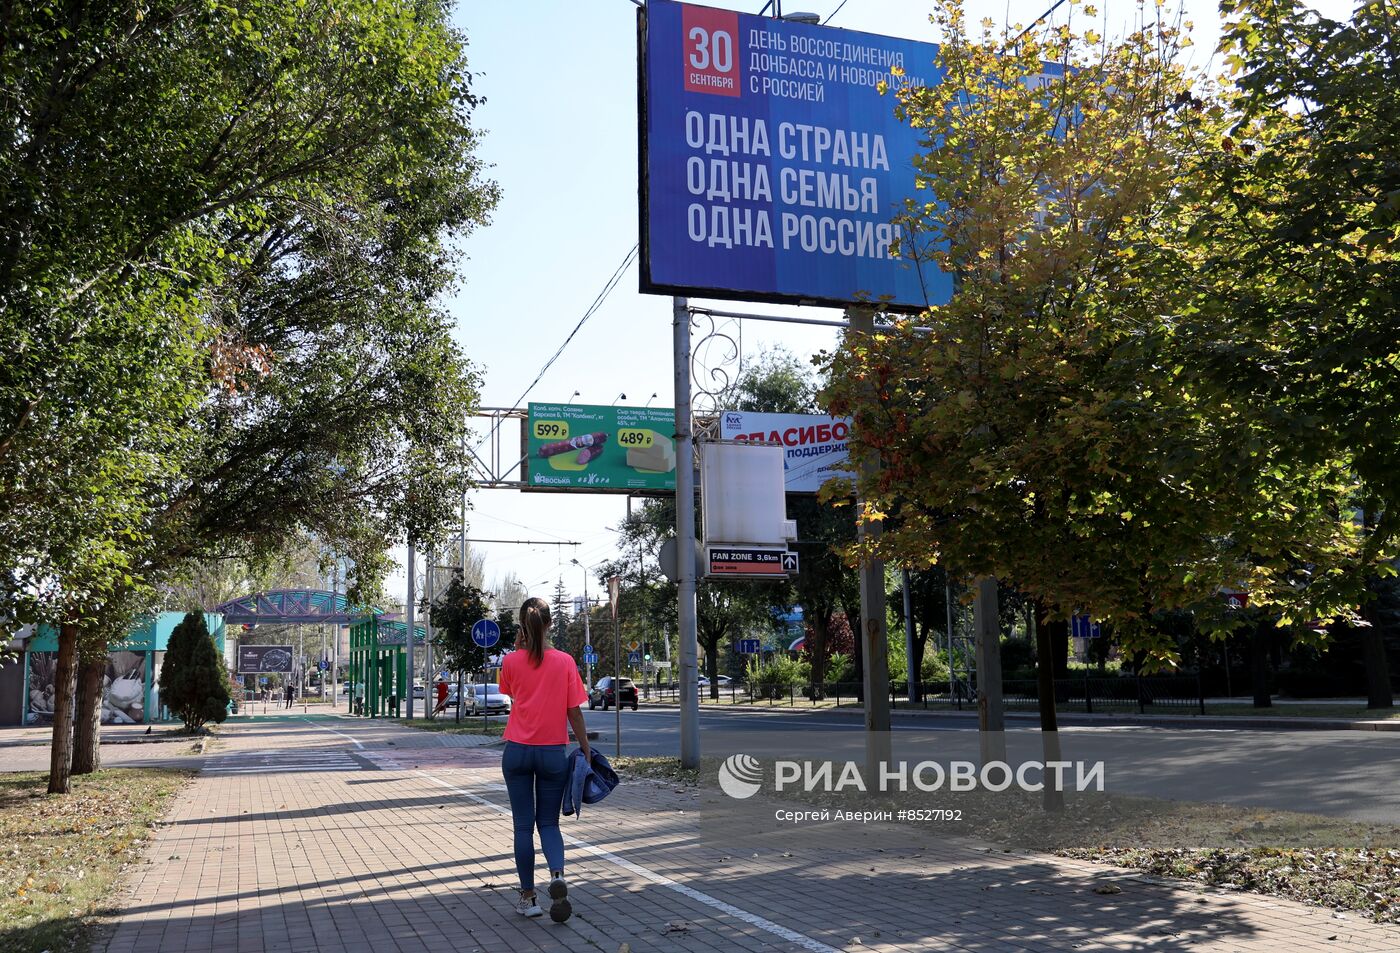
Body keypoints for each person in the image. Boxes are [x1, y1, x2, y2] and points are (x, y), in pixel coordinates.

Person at [498, 596, 591, 923]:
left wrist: (518, 648)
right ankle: (557, 876)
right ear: (550, 623)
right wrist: (584, 748)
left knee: (523, 826)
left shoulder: (510, 661)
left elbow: (511, 693)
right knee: (548, 823)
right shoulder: (565, 662)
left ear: (522, 626)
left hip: (518, 752)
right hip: (553, 753)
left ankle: (528, 897)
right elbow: (574, 712)